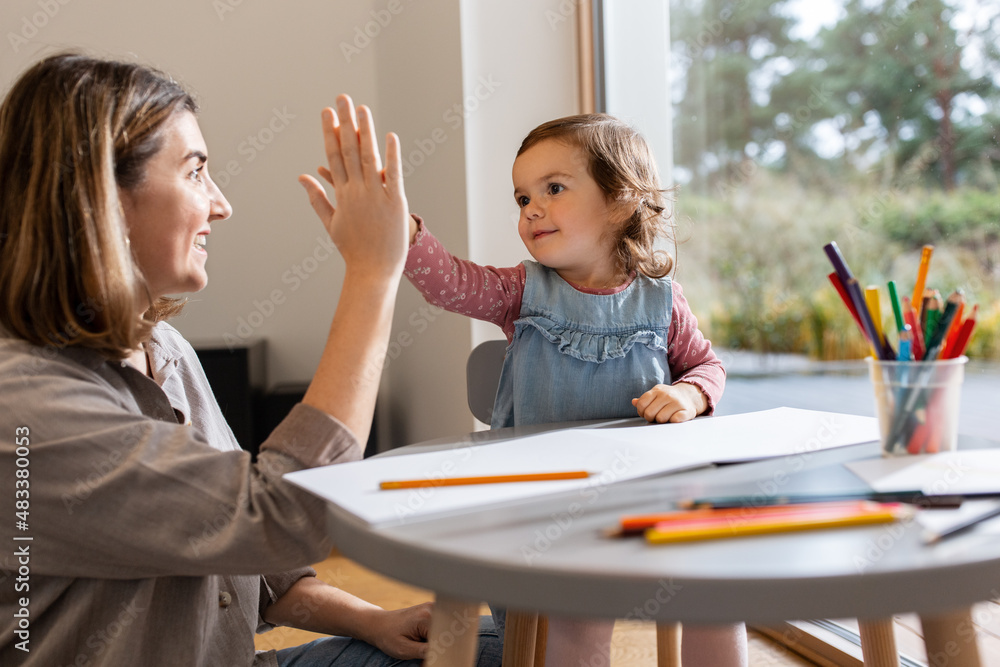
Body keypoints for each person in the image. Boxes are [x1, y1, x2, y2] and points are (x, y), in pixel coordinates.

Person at [0, 52, 500, 666]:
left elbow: (261, 564)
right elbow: (282, 518)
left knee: (489, 647)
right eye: (195, 172)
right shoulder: (26, 406)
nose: (220, 204)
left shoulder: (164, 348)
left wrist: (374, 620)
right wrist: (373, 273)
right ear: (102, 196)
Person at [403, 114, 747, 665]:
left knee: (718, 595)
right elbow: (450, 283)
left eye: (554, 189)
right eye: (522, 198)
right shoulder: (521, 291)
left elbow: (707, 367)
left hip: (647, 499)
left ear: (621, 201)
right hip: (548, 508)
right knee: (574, 619)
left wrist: (690, 395)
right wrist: (402, 234)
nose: (531, 209)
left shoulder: (663, 301)